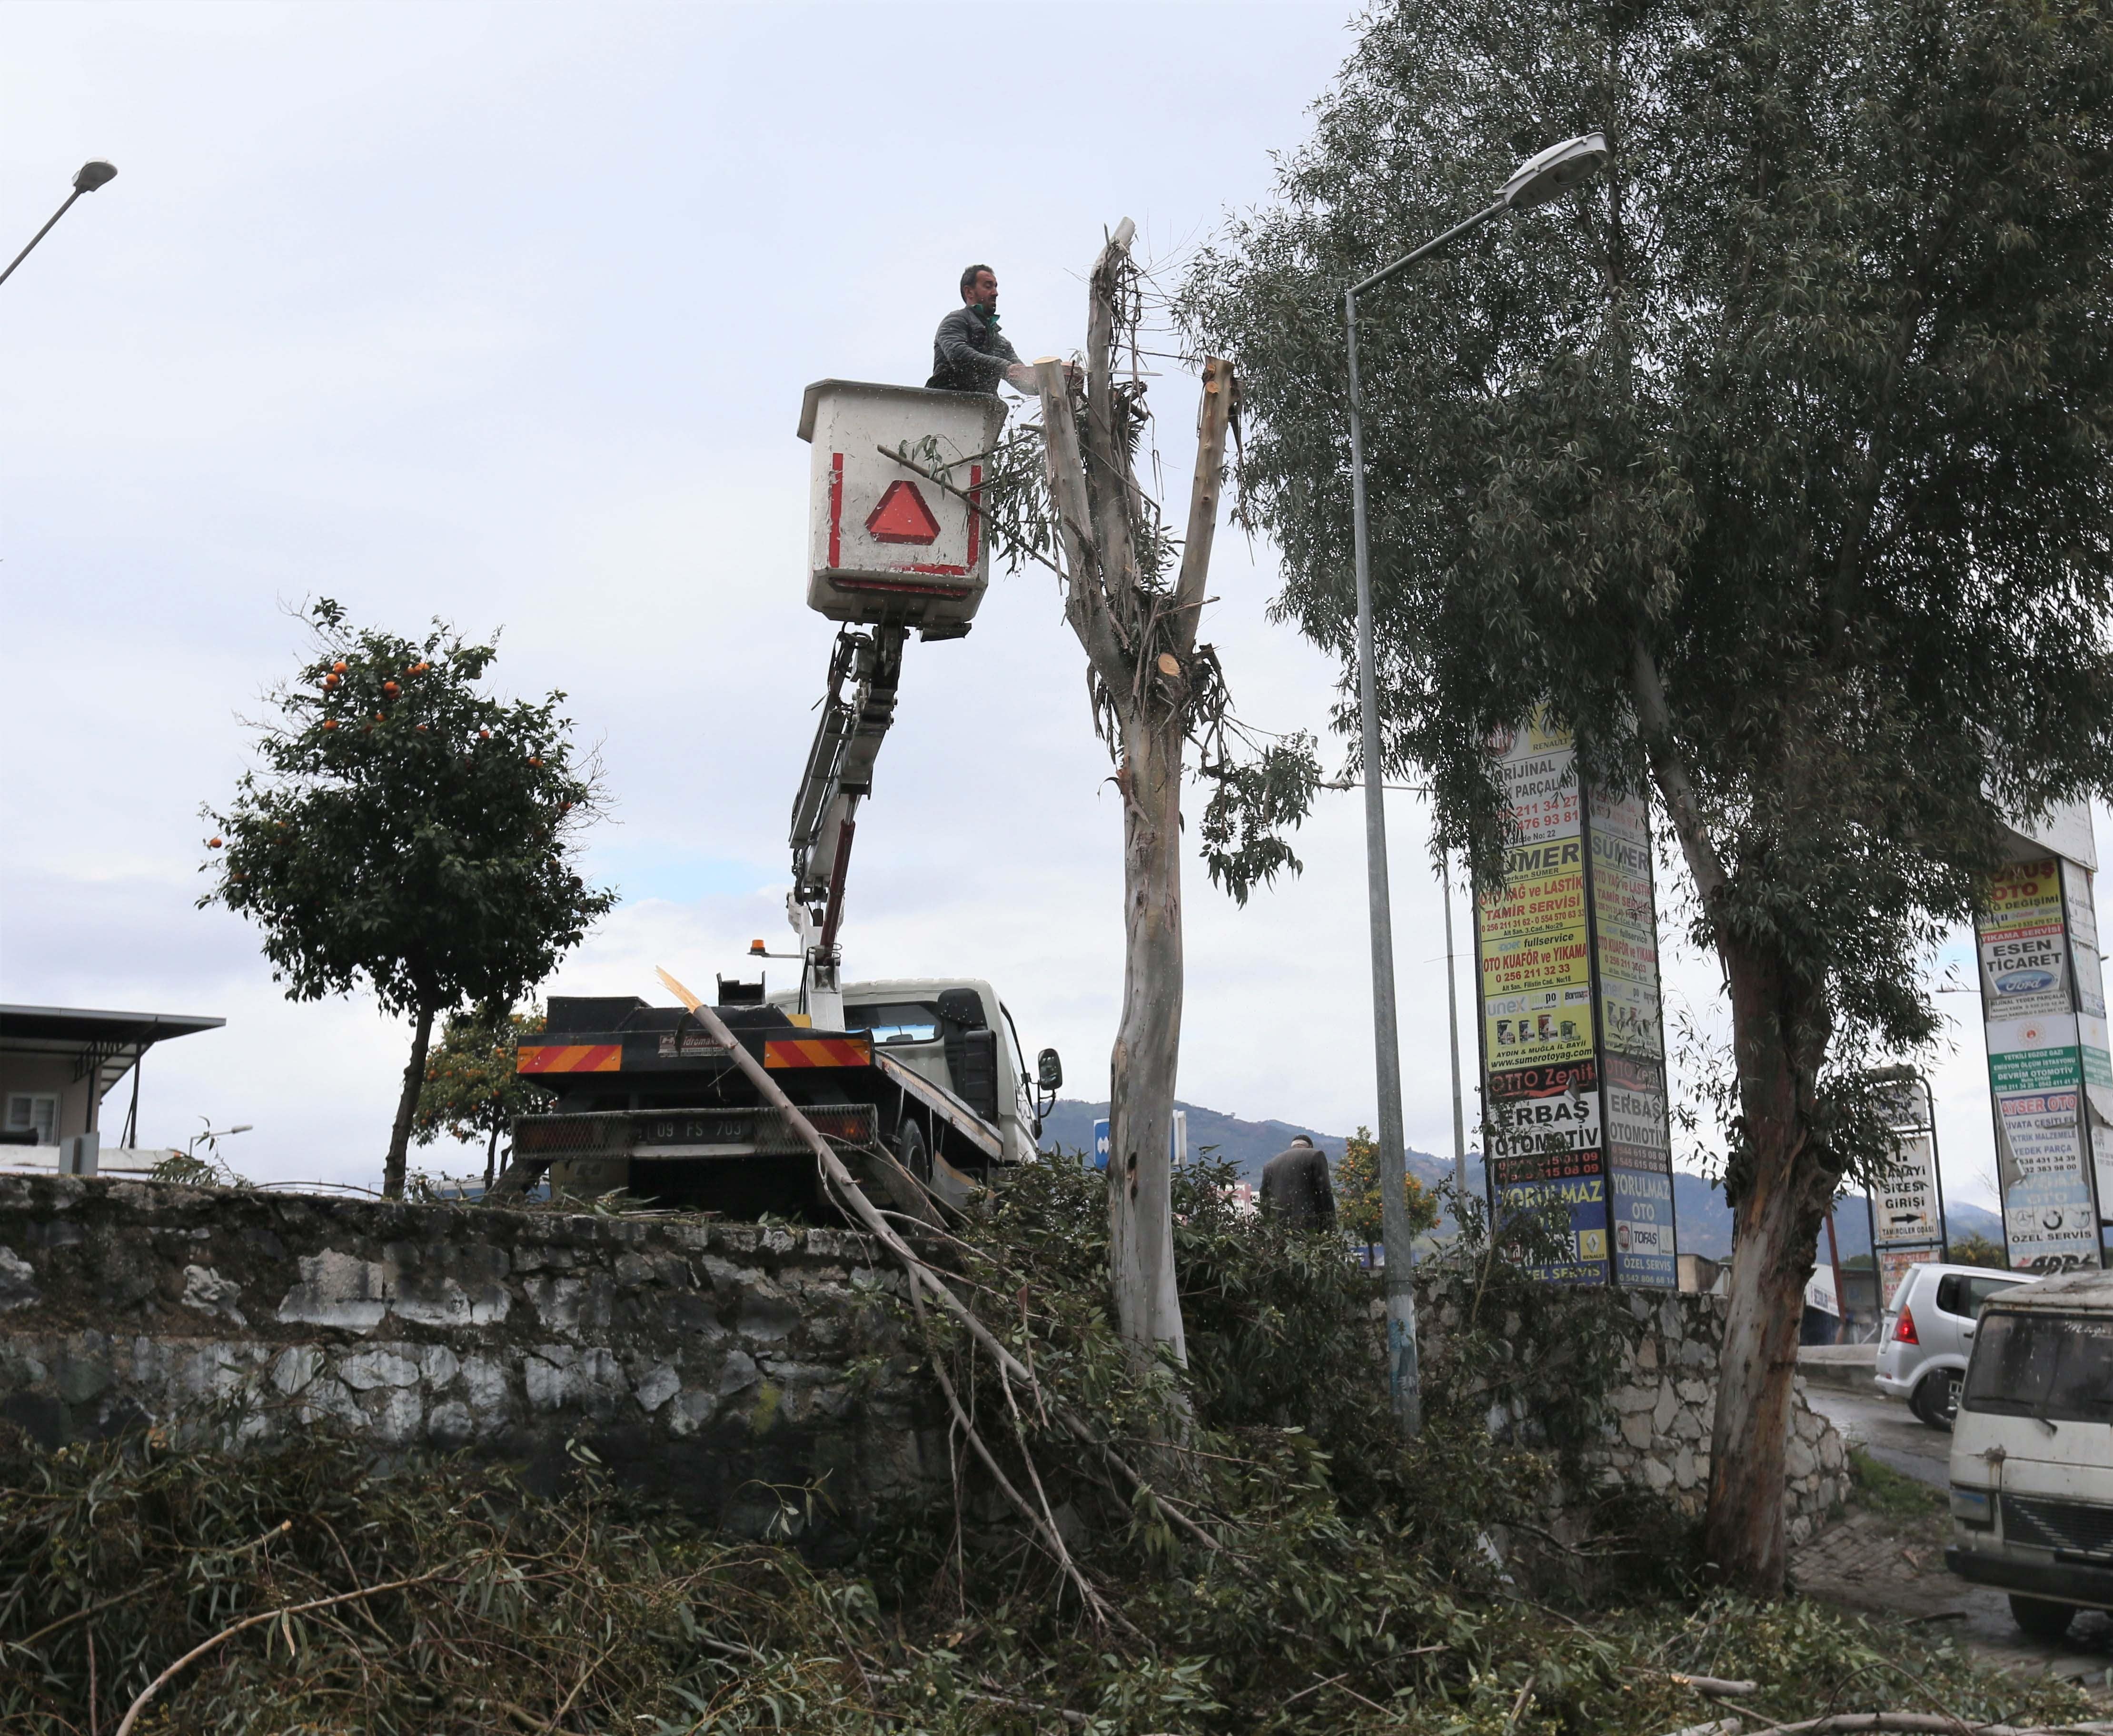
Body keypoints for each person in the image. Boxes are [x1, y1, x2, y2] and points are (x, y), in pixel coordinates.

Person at [929, 264, 1040, 395]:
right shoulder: (956, 321)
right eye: (988, 286)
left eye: (995, 287)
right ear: (969, 292)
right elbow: (958, 354)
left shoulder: (1001, 343)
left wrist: (1053, 379)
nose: (995, 293)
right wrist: (1004, 367)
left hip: (983, 410)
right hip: (946, 405)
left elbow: (1025, 382)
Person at [1259, 1134, 1337, 1232]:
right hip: (1308, 1227)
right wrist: (1331, 1225)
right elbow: (1325, 1192)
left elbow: (1264, 1197)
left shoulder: (1270, 1165)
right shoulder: (1315, 1155)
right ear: (1310, 1147)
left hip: (1279, 1230)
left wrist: (1270, 1223)